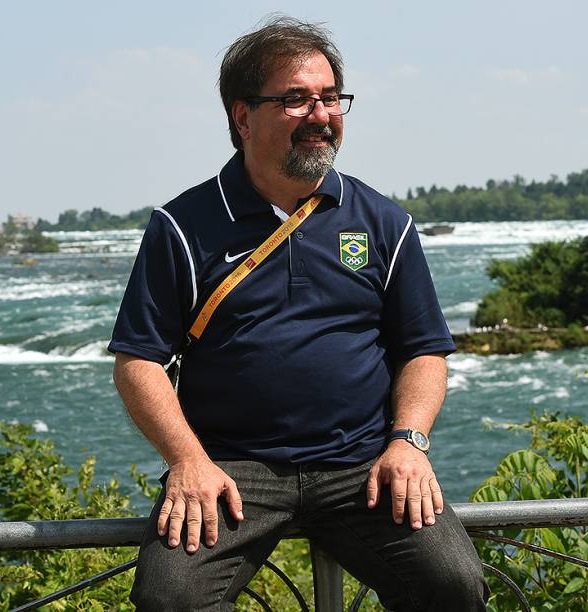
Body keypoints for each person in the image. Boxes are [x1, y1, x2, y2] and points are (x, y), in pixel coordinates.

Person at [108, 16, 489, 611]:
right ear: (242, 117)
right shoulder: (182, 226)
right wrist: (187, 461)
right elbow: (139, 360)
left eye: (330, 97)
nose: (320, 114)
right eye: (295, 99)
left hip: (362, 467)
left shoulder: (384, 222)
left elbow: (423, 349)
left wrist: (409, 442)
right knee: (170, 599)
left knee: (453, 586)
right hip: (231, 471)